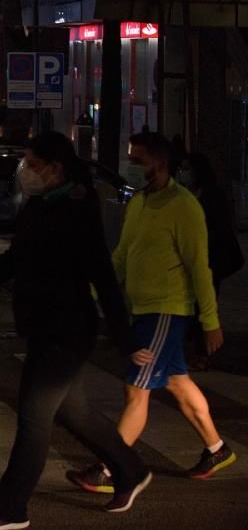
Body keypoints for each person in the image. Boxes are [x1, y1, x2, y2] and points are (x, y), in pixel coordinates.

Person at [0, 132, 151, 529]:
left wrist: (125, 338)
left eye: (32, 164)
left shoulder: (77, 208)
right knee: (76, 413)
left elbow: (101, 273)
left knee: (34, 419)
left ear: (54, 168)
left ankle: (9, 509)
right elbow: (12, 261)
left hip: (67, 329)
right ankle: (132, 470)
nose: (25, 172)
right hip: (44, 326)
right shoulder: (39, 206)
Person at [69, 133, 236, 495]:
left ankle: (110, 469)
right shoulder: (140, 202)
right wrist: (95, 291)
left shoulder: (184, 205)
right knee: (176, 382)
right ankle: (217, 449)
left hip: (167, 309)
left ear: (159, 163)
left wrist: (210, 321)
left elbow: (199, 267)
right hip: (143, 309)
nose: (132, 165)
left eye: (138, 159)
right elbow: (122, 255)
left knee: (137, 390)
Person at [178, 152, 244, 370]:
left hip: (212, 259)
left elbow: (218, 228)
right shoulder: (189, 193)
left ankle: (202, 353)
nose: (183, 172)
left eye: (187, 168)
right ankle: (196, 350)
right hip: (196, 258)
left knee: (205, 304)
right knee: (194, 305)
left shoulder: (212, 195)